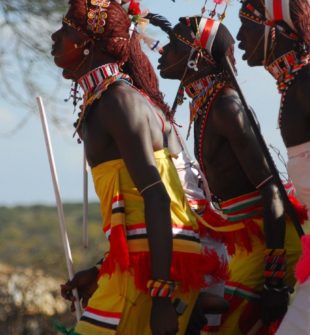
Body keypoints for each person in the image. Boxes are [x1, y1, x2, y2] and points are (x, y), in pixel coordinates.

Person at [51, 1, 226, 334]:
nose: (54, 36)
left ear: (88, 42)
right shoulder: (109, 99)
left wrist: (161, 297)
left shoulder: (119, 101)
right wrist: (103, 269)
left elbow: (158, 198)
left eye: (66, 30)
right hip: (149, 257)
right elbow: (134, 203)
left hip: (155, 266)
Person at [158, 14, 303, 334]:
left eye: (172, 45)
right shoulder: (207, 105)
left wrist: (275, 280)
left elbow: (272, 190)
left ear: (196, 58)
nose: (162, 53)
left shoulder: (225, 105)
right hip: (242, 245)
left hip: (267, 242)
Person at [237, 1, 310, 334]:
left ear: (276, 30)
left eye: (247, 26)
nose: (238, 37)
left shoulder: (306, 81)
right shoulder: (296, 85)